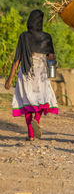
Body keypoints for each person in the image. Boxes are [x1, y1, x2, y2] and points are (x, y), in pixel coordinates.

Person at [5, 9, 58, 141]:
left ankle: (31, 134)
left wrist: (9, 79)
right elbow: (51, 56)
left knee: (27, 100)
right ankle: (37, 119)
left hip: (26, 72)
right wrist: (52, 73)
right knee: (41, 99)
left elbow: (17, 59)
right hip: (41, 73)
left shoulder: (24, 36)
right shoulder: (47, 37)